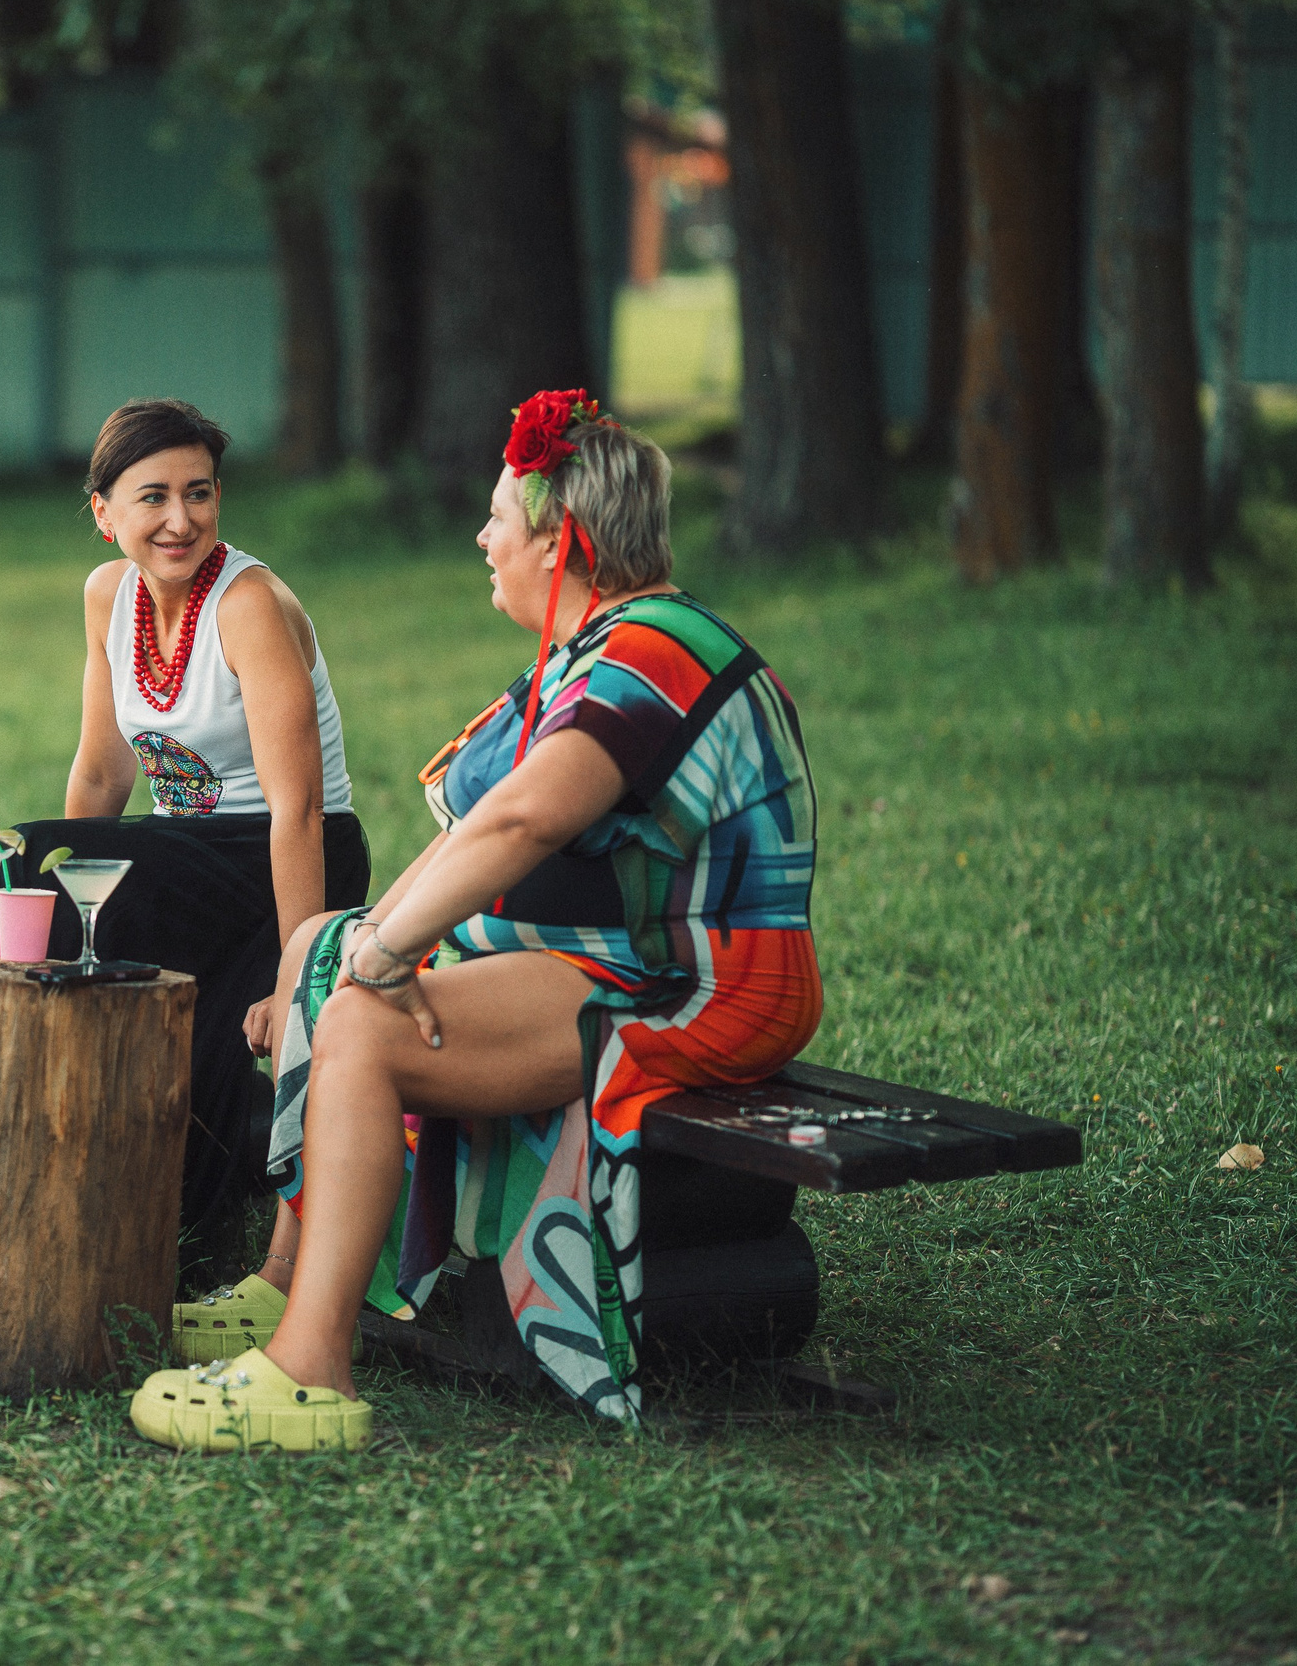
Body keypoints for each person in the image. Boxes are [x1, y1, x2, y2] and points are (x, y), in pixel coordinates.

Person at [131, 393, 822, 1451]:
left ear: (564, 543)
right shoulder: (590, 650)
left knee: (362, 1016)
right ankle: (286, 1280)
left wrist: (390, 951)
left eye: (501, 516)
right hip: (599, 962)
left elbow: (524, 817)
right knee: (320, 949)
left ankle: (309, 1374)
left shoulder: (658, 648)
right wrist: (363, 940)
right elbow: (464, 832)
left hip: (692, 983)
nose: (482, 538)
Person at [0, 398, 367, 1288]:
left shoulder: (250, 605)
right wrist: (48, 879)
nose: (180, 519)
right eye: (152, 496)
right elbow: (99, 774)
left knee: (27, 862)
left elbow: (300, 808)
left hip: (280, 862)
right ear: (103, 509)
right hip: (180, 855)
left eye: (200, 493)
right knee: (13, 890)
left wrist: (294, 969)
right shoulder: (107, 595)